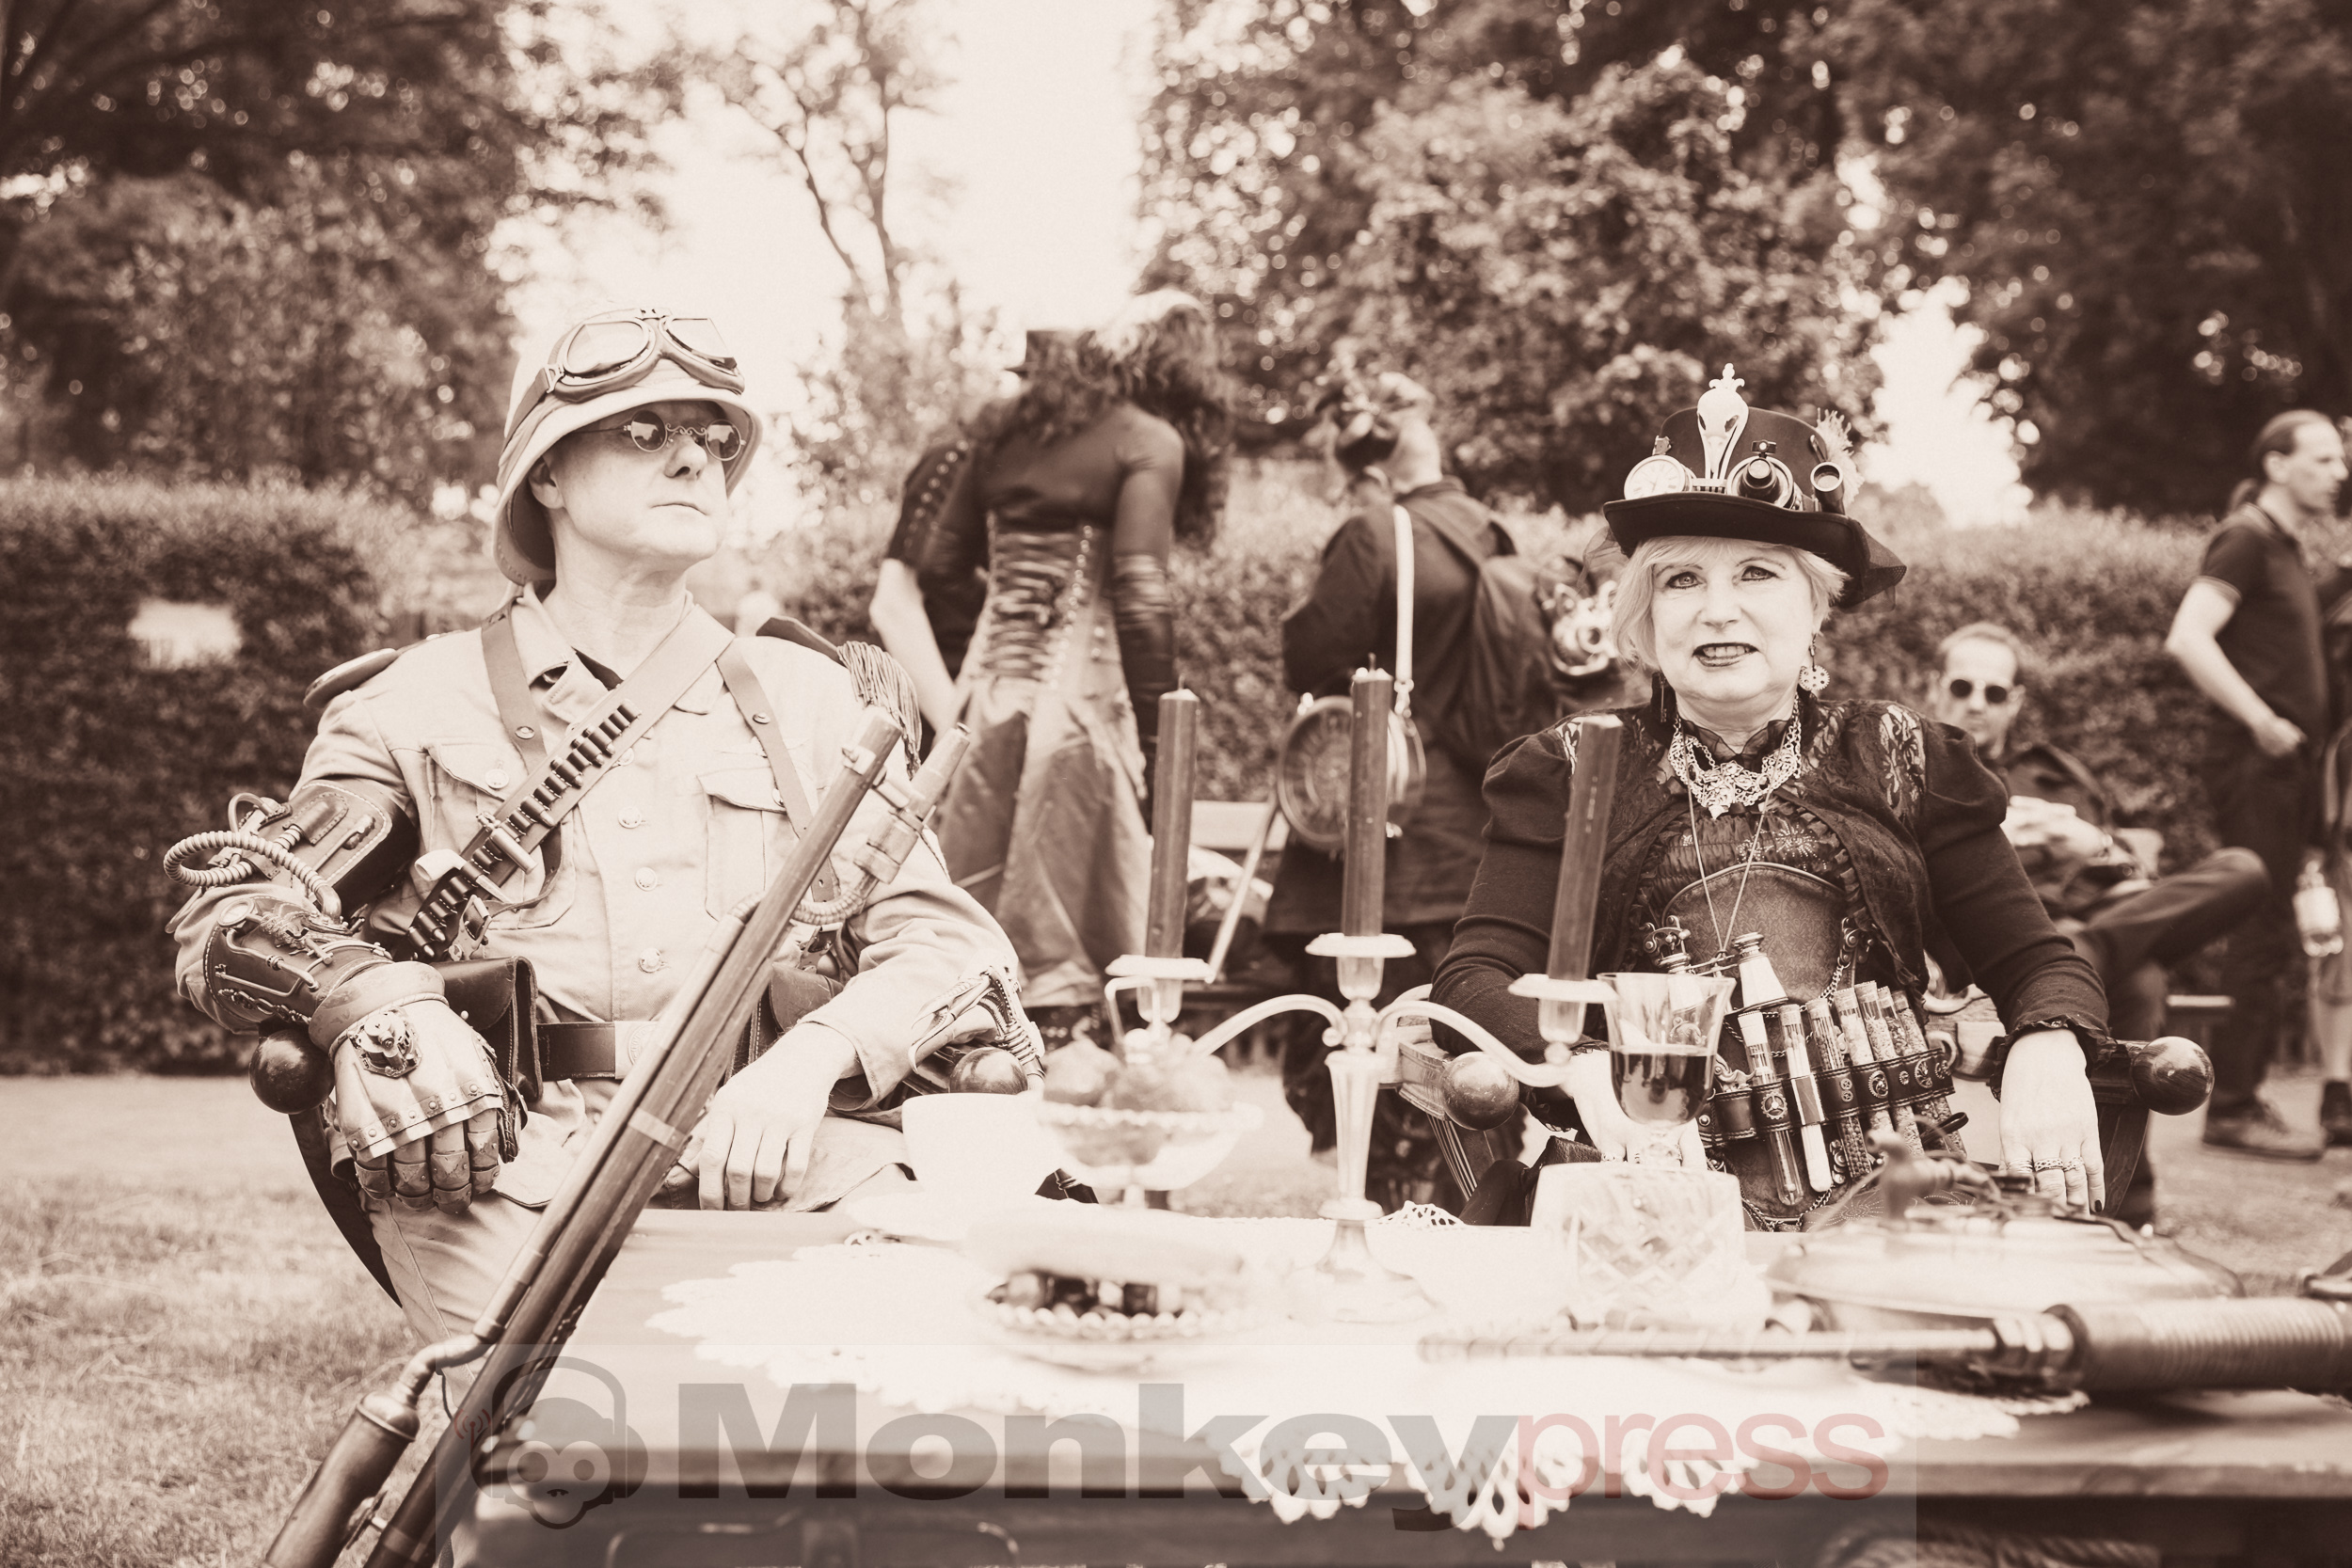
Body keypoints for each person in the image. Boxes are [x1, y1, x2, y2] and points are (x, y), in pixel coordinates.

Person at [167, 305, 1019, 1346]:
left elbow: (950, 944)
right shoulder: (412, 701)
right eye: (644, 431)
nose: (693, 458)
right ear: (547, 476)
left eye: (713, 441)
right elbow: (245, 916)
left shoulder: (817, 701)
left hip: (789, 1150)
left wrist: (812, 1061)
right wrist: (382, 1004)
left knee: (892, 1418)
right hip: (502, 1163)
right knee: (562, 1454)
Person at [1431, 366, 2113, 1227]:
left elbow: (2040, 963)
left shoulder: (1905, 758)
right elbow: (1470, 982)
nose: (1717, 610)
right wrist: (1581, 1068)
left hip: (1889, 1218)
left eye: (1757, 573)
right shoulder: (1564, 770)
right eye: (1681, 580)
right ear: (1643, 615)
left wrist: (2049, 1044)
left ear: (1817, 604)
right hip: (1637, 1206)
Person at [919, 293, 1232, 1039]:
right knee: (1071, 969)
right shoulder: (1146, 441)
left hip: (983, 708)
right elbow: (1142, 596)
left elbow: (937, 566)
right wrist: (1164, 742)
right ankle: (1072, 1108)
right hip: (1079, 723)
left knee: (967, 945)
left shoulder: (996, 438)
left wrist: (1010, 614)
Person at [1263, 371, 1518, 1209]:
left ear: (1367, 461)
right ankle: (1451, 1194)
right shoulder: (1494, 536)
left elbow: (1312, 657)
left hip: (1388, 832)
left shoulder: (1376, 534)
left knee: (1358, 1039)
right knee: (1462, 1041)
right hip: (1477, 837)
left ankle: (1374, 1197)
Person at [1927, 621, 2270, 1225]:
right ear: (1935, 688)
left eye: (1995, 692)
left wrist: (2091, 843)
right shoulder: (1916, 769)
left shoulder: (2060, 776)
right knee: (2136, 981)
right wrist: (1987, 840)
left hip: (2095, 918)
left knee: (2243, 868)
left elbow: (2137, 883)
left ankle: (2081, 954)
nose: (1976, 702)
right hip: (1997, 945)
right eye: (1962, 686)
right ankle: (2125, 1203)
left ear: (2017, 702)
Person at [2164, 410, 2350, 1160]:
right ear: (2277, 463)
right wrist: (2262, 720)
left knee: (2274, 927)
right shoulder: (2245, 537)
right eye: (2325, 458)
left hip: (2287, 771)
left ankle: (2245, 1095)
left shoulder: (2286, 549)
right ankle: (2232, 1109)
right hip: (2257, 762)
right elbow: (2187, 635)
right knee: (2262, 927)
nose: (2339, 472)